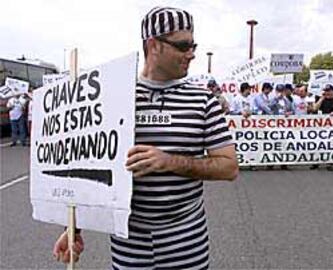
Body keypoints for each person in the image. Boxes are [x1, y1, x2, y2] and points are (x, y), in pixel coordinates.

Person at [53, 6, 239, 269]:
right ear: (154, 45)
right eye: (183, 45)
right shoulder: (113, 96)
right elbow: (89, 164)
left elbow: (229, 167)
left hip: (187, 240)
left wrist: (170, 162)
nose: (192, 53)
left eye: (193, 45)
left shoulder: (203, 100)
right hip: (129, 243)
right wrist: (73, 228)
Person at [311, 84, 333, 171]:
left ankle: (329, 162)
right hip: (323, 126)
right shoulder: (322, 99)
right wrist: (321, 99)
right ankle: (316, 162)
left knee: (332, 144)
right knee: (320, 144)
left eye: (329, 91)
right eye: (325, 91)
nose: (327, 93)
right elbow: (315, 109)